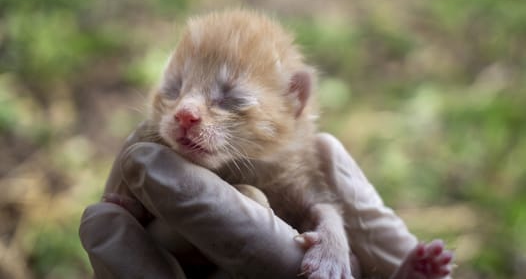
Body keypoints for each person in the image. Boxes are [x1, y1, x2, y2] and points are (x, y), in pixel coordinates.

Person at [79, 123, 446, 278]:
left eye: (234, 99)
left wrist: (332, 245)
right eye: (175, 88)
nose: (189, 111)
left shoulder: (294, 156)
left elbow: (319, 210)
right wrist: (137, 212)